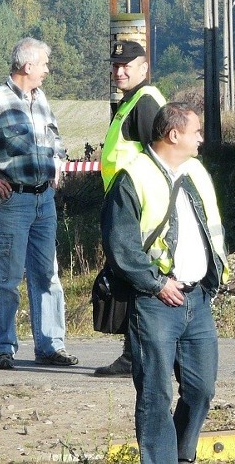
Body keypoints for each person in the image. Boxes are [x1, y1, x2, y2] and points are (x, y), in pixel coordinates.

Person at [101, 102, 230, 464]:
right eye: (196, 132)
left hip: (198, 298)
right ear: (174, 135)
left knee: (202, 388)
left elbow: (212, 230)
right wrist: (156, 284)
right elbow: (120, 244)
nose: (201, 139)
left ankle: (180, 454)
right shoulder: (133, 176)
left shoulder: (196, 172)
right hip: (156, 302)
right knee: (156, 393)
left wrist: (211, 279)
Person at [0, 37, 78, 370]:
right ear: (27, 66)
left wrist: (58, 161)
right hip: (12, 202)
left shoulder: (40, 98)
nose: (47, 70)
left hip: (43, 201)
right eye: (44, 64)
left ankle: (50, 346)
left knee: (48, 276)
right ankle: (3, 348)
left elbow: (55, 138)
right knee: (7, 278)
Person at [95, 39, 166, 377]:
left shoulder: (145, 103)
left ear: (144, 68)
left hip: (136, 207)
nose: (119, 71)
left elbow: (160, 154)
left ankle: (135, 354)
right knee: (127, 275)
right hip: (125, 203)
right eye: (115, 66)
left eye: (127, 66)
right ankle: (135, 352)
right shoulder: (131, 101)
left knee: (134, 275)